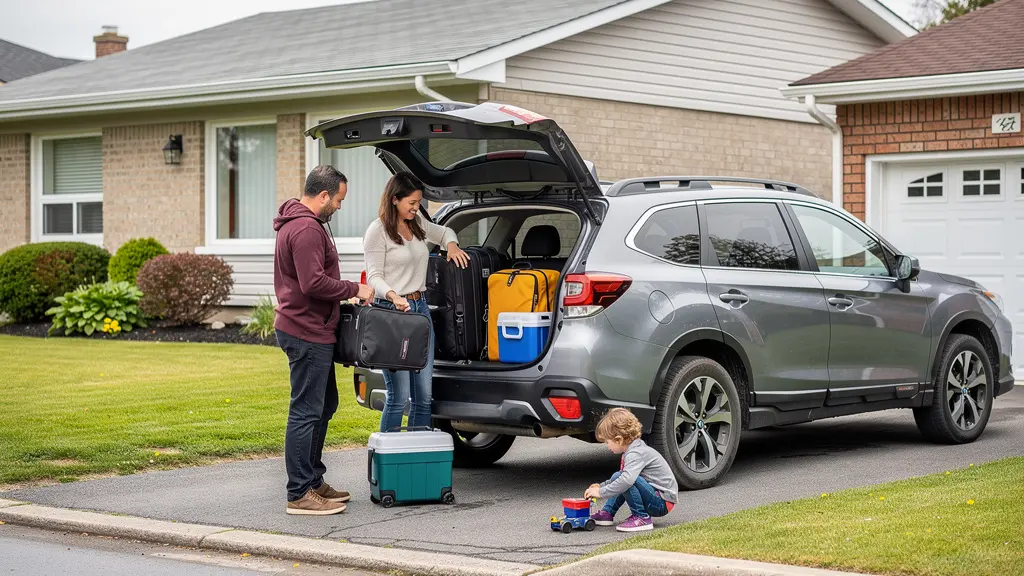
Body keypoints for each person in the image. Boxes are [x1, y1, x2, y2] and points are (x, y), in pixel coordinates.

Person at [273, 165, 374, 516]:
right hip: (305, 330)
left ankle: (313, 481)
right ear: (324, 196)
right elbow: (312, 283)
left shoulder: (302, 224)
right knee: (305, 410)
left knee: (325, 405)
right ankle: (299, 492)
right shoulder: (304, 229)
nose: (340, 207)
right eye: (339, 200)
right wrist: (354, 289)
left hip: (311, 328)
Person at [363, 171, 469, 433]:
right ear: (395, 200)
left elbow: (444, 231)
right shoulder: (377, 231)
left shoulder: (417, 223)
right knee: (398, 397)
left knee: (423, 397)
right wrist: (393, 295)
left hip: (419, 311)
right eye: (411, 202)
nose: (415, 207)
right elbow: (374, 277)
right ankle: (388, 460)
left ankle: (417, 457)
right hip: (392, 313)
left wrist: (452, 245)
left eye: (418, 202)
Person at [584, 408, 678, 532]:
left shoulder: (635, 454)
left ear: (619, 439)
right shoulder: (633, 451)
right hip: (656, 497)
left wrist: (601, 492)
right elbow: (621, 478)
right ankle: (607, 513)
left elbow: (627, 481)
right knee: (620, 476)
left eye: (608, 442)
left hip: (662, 502)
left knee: (626, 480)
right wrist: (600, 487)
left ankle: (642, 517)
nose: (607, 446)